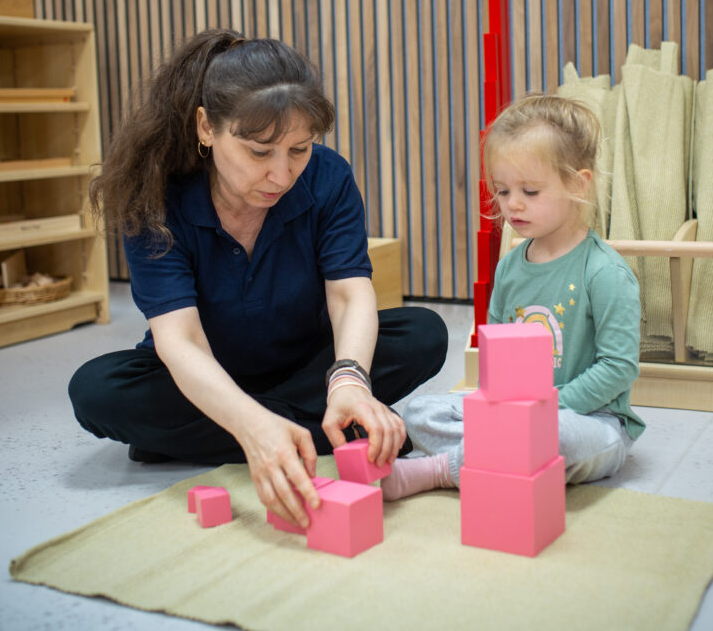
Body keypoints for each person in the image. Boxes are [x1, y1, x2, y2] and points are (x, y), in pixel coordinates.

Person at [69, 29, 448, 527]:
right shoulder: (156, 199)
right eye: (258, 152)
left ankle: (214, 435)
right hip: (201, 374)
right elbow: (179, 341)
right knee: (96, 390)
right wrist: (251, 425)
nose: (281, 175)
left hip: (306, 367)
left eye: (299, 150)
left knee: (423, 332)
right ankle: (299, 431)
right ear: (206, 128)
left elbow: (350, 296)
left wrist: (349, 380)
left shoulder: (329, 178)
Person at [381, 94, 645, 501]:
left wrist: (547, 409)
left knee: (554, 439)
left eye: (530, 191)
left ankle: (440, 470)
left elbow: (618, 368)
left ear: (578, 183)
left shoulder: (605, 273)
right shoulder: (509, 267)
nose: (512, 204)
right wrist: (493, 409)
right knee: (419, 413)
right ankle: (495, 452)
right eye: (503, 191)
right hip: (513, 414)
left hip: (591, 420)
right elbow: (497, 357)